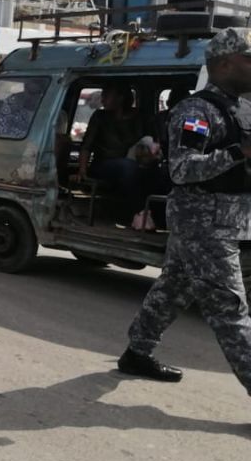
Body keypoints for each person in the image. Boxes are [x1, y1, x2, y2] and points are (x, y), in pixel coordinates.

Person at [116, 27, 251, 398]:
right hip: (205, 225)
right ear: (224, 64)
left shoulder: (242, 108)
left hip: (232, 221)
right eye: (249, 59)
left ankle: (137, 352)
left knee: (173, 288)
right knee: (231, 309)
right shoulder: (196, 111)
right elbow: (182, 169)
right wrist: (238, 153)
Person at [77, 84, 155, 228]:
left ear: (120, 98)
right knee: (127, 166)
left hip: (133, 164)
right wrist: (82, 170)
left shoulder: (138, 117)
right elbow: (86, 146)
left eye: (106, 95)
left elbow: (147, 142)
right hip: (103, 166)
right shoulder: (99, 116)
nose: (102, 100)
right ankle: (139, 214)